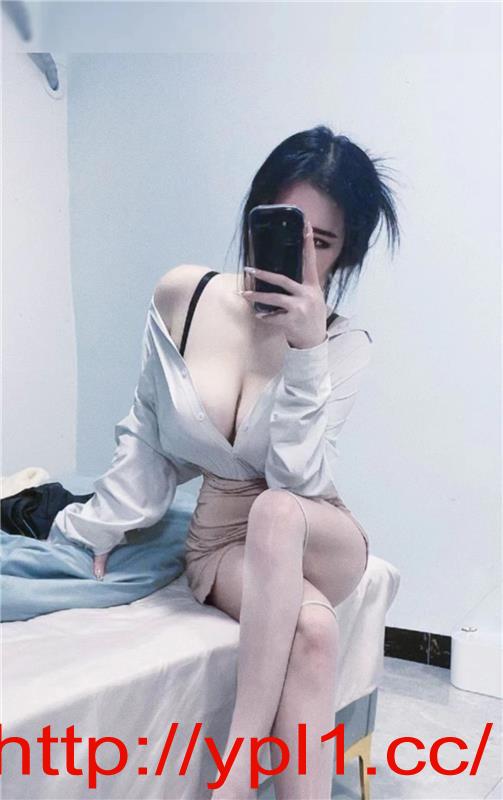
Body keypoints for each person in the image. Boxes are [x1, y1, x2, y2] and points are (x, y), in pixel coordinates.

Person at [46, 124, 401, 798]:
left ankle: (238, 764)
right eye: (286, 228)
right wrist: (95, 529)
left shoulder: (342, 343)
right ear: (255, 218)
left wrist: (305, 352)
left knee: (277, 509)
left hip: (317, 531)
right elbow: (149, 434)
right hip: (221, 542)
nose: (299, 255)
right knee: (313, 633)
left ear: (344, 253)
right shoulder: (183, 296)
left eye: (322, 243)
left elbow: (297, 482)